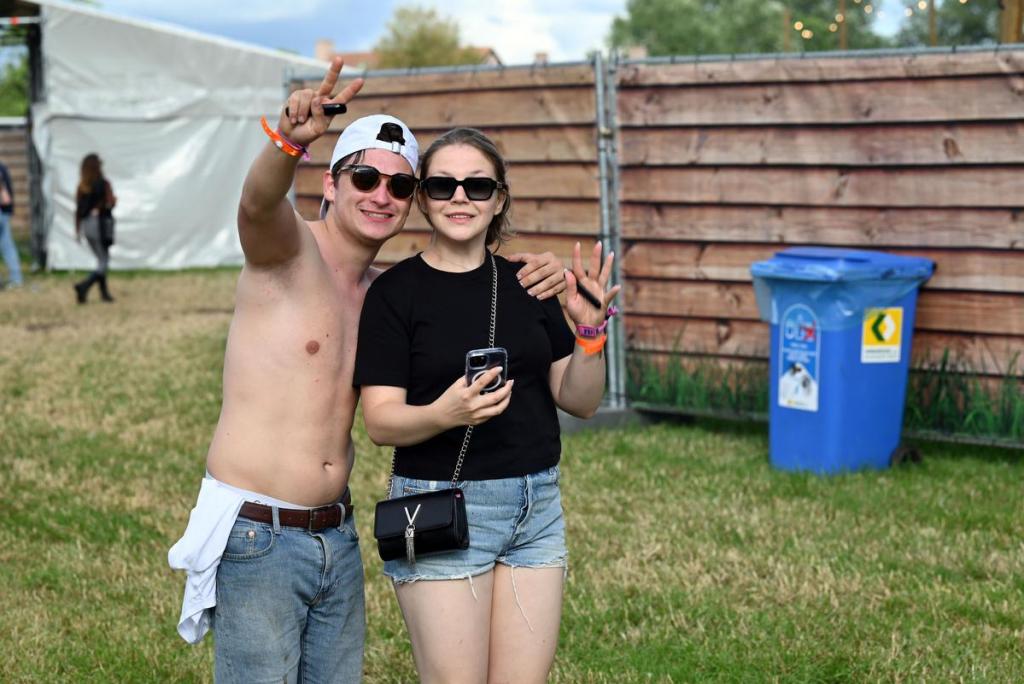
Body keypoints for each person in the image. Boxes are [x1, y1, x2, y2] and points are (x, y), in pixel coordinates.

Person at [167, 58, 567, 683]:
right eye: (364, 177)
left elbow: (466, 292)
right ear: (330, 184)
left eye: (400, 186)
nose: (381, 195)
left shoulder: (387, 293)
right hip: (260, 530)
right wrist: (287, 142)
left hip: (337, 531)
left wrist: (543, 272)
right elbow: (256, 204)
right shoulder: (287, 253)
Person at [355, 127, 621, 684]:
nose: (460, 198)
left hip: (535, 507)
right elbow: (380, 421)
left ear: (499, 199)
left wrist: (591, 333)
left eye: (477, 186)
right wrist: (447, 413)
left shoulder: (530, 284)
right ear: (423, 198)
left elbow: (580, 401)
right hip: (439, 505)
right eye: (442, 185)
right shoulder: (395, 294)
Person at [73, 153, 116, 303]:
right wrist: (106, 204)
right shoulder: (104, 184)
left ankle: (104, 293)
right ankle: (84, 286)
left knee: (101, 259)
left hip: (86, 225)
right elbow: (110, 202)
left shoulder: (82, 187)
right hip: (100, 224)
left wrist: (77, 230)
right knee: (104, 260)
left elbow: (78, 211)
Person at [0, 159, 23, 289]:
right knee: (8, 247)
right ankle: (16, 278)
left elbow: (5, 197)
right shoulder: (2, 167)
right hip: (4, 213)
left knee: (8, 246)